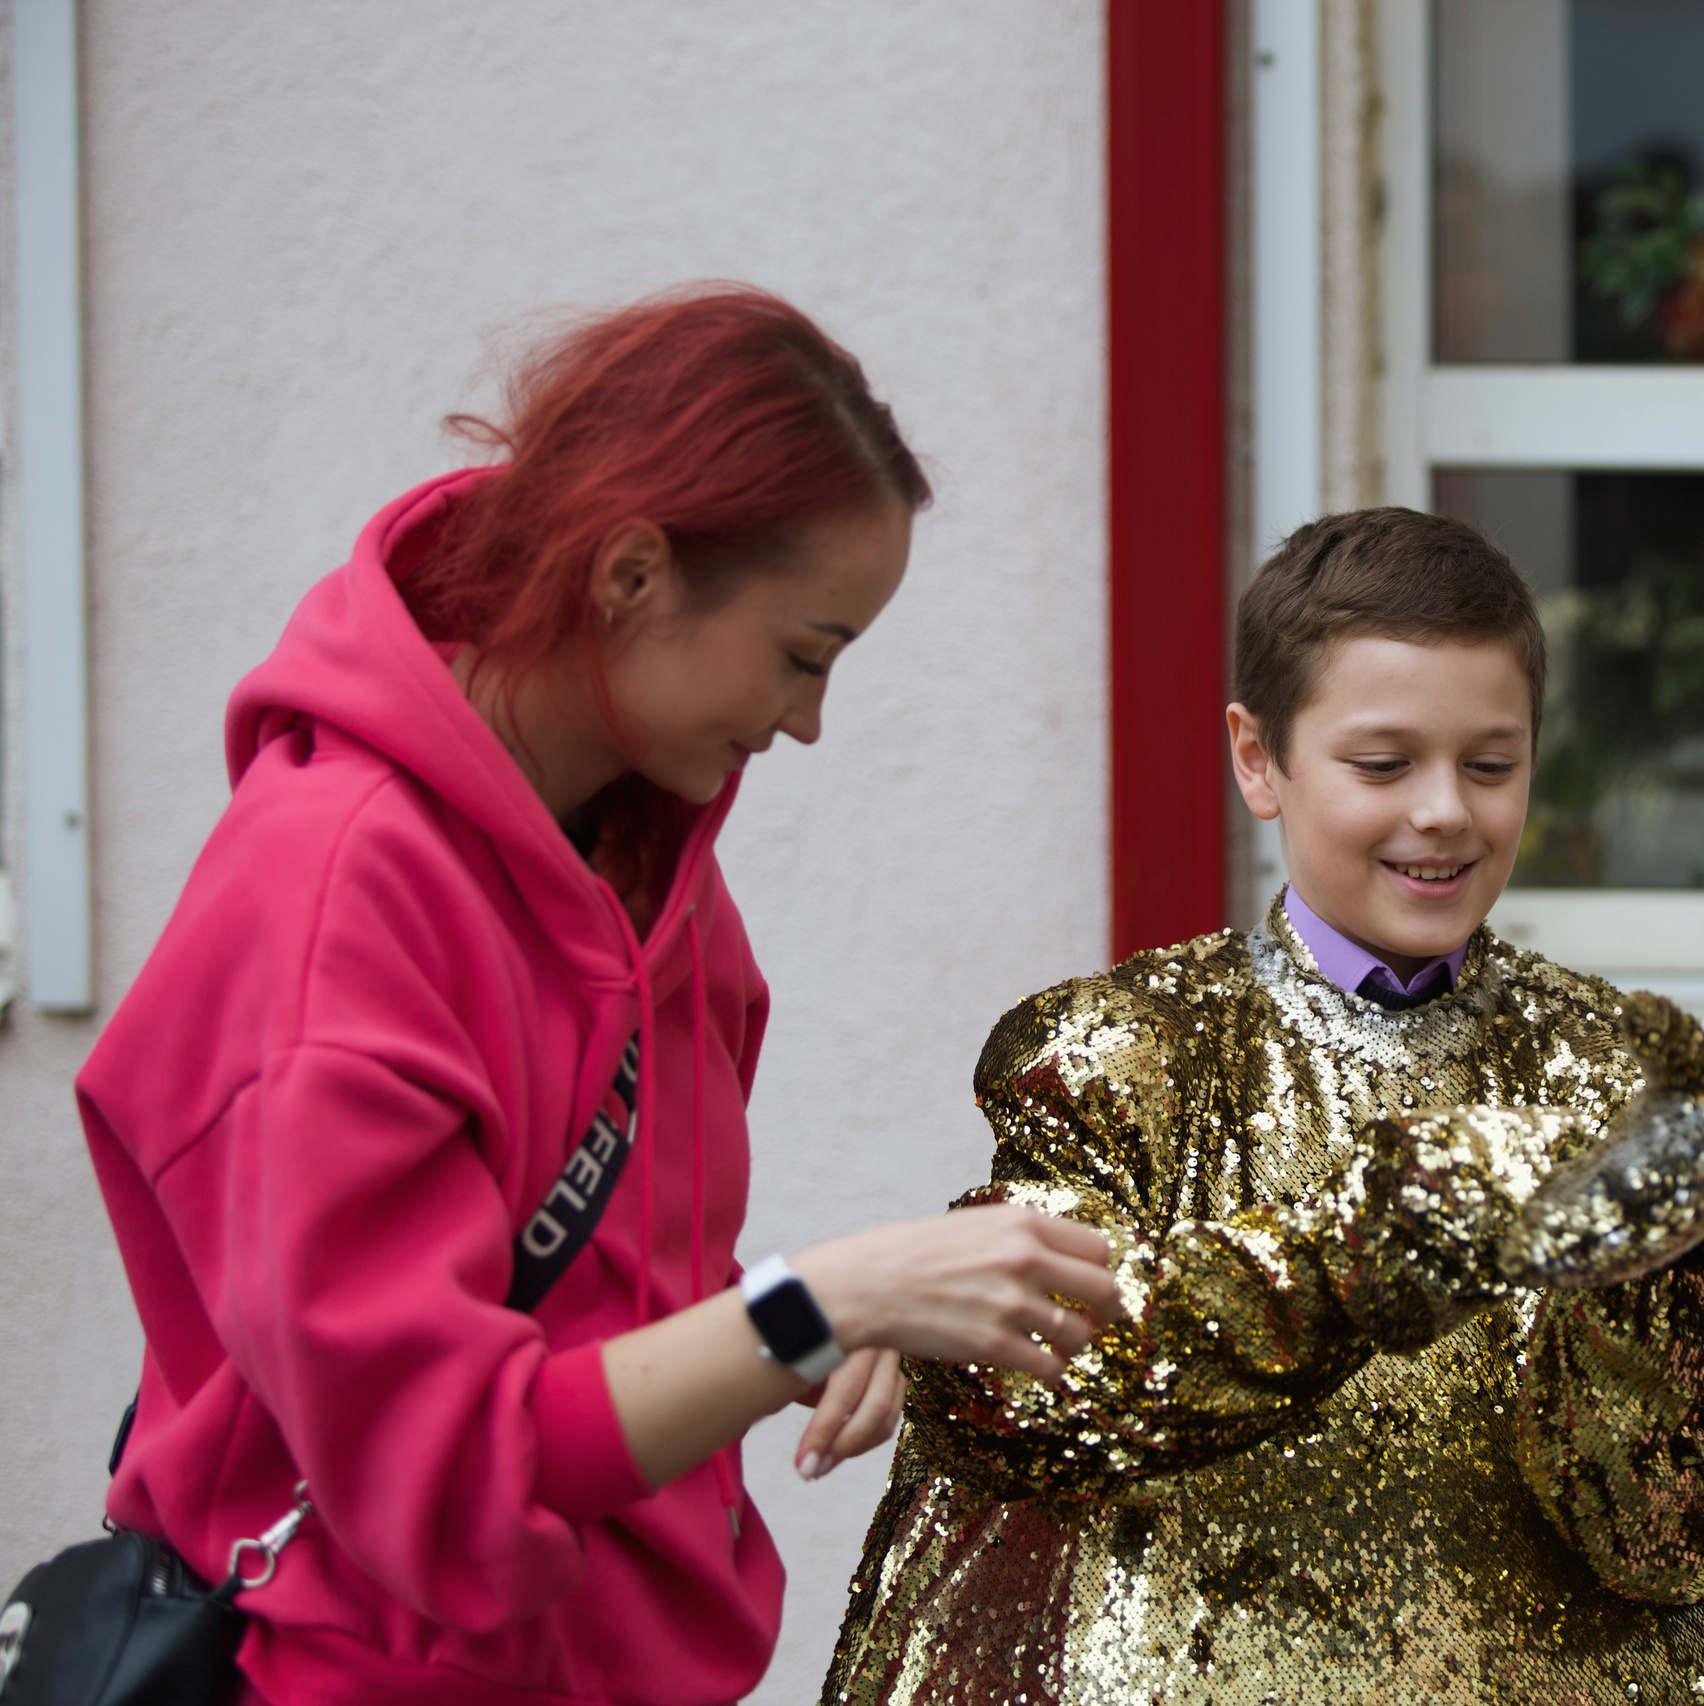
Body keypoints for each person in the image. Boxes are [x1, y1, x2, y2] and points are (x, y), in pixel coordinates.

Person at [77, 285, 1123, 1706]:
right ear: (631, 573)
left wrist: (831, 1326)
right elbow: (448, 1468)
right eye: (805, 651)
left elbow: (604, 1339)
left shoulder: (657, 877)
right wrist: (817, 1302)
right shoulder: (332, 899)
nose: (809, 721)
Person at [821, 508, 1704, 1704]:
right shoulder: (1119, 1059)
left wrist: (1674, 1271)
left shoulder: (1607, 1069)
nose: (1443, 813)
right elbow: (1035, 1384)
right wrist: (1385, 1241)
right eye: (1382, 764)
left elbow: (1675, 1521)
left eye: (1490, 763)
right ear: (1259, 758)